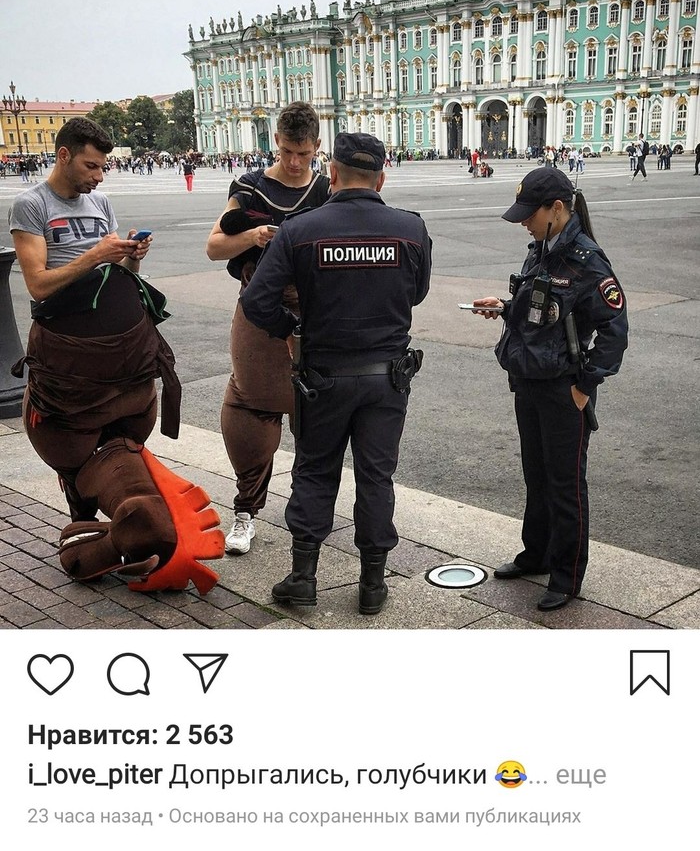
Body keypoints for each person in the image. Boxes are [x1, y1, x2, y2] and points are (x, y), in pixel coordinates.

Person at [240, 132, 432, 615]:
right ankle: (372, 584)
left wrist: (294, 327)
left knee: (314, 470)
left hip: (322, 375)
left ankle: (303, 577)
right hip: (387, 377)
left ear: (332, 174)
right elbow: (417, 293)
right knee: (376, 475)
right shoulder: (409, 229)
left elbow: (257, 301)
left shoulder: (301, 230)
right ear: (382, 177)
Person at [8, 117, 182, 574]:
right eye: (91, 165)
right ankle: (84, 520)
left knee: (121, 432)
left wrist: (129, 256)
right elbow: (38, 285)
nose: (98, 176)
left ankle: (117, 521)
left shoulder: (100, 202)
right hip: (68, 349)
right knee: (70, 434)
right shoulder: (31, 206)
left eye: (102, 167)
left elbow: (122, 276)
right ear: (63, 155)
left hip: (121, 352)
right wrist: (94, 256)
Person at [472, 166, 628, 611]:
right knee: (536, 477)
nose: (523, 221)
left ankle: (566, 575)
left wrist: (584, 385)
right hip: (529, 382)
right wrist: (503, 308)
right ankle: (536, 554)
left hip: (563, 390)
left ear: (557, 209)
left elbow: (615, 331)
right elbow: (541, 311)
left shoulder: (586, 260)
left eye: (529, 213)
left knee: (565, 486)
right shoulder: (543, 249)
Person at [206, 102, 330, 556]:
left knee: (317, 411)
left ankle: (309, 508)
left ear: (317, 146)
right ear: (275, 141)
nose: (294, 162)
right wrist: (253, 238)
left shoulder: (326, 189)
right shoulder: (250, 186)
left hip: (316, 314)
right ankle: (245, 511)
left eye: (303, 153)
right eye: (287, 151)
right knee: (249, 404)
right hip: (258, 309)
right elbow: (215, 246)